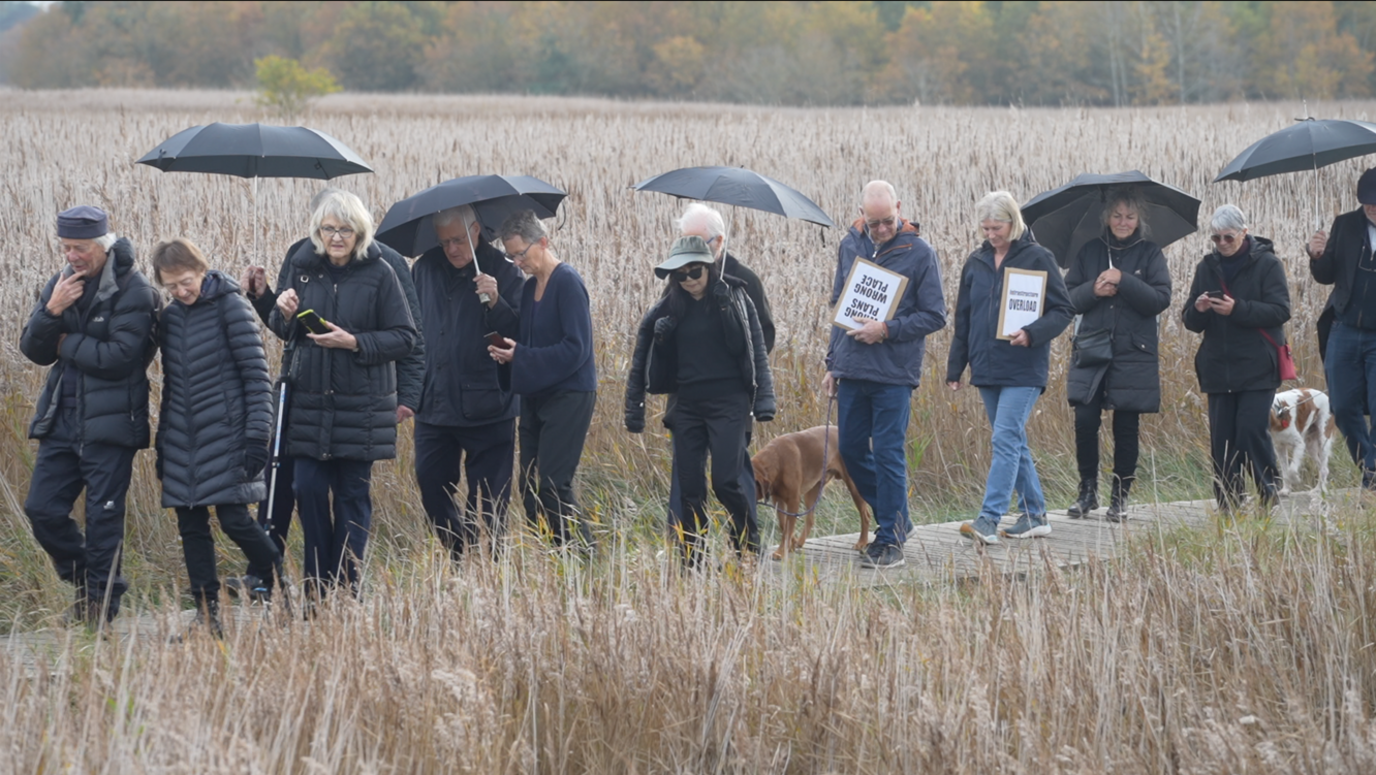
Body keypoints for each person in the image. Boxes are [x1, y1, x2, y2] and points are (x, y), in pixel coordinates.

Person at [234, 187, 425, 595]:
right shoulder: (300, 263)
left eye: (345, 230)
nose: (336, 237)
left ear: (360, 232)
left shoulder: (382, 272)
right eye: (328, 229)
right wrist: (272, 302)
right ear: (316, 230)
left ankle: (346, 586)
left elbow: (405, 338)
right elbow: (287, 332)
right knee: (306, 488)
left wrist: (353, 342)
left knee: (352, 497)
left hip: (362, 406)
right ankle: (317, 585)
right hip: (308, 402)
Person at [20, 205, 160, 626]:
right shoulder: (59, 284)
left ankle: (98, 611)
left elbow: (120, 359)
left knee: (103, 518)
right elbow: (33, 349)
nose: (71, 256)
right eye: (65, 247)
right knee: (41, 510)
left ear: (102, 245)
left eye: (79, 248)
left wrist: (65, 342)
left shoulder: (135, 291)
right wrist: (51, 312)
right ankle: (96, 584)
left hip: (112, 423)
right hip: (61, 419)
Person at [151, 238, 281, 636]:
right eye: (170, 287)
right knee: (190, 526)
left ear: (202, 270)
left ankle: (280, 583)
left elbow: (257, 378)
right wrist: (163, 443)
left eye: (186, 281)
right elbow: (171, 387)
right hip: (183, 439)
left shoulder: (232, 306)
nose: (180, 292)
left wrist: (258, 437)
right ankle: (208, 617)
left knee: (235, 520)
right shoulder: (171, 320)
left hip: (229, 435)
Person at [625, 236, 775, 567]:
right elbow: (642, 360)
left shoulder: (734, 295)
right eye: (682, 275)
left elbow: (754, 349)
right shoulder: (668, 307)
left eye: (696, 271)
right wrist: (634, 410)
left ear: (708, 268)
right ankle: (692, 559)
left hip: (729, 403)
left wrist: (764, 400)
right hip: (688, 405)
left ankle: (748, 546)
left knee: (726, 481)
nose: (690, 279)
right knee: (690, 488)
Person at [823, 181, 947, 569]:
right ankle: (898, 518)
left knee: (890, 453)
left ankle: (890, 537)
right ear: (862, 215)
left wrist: (887, 329)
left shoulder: (920, 253)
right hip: (852, 369)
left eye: (887, 221)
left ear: (899, 208)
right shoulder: (850, 245)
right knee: (853, 451)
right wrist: (832, 363)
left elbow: (935, 315)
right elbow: (841, 306)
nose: (881, 230)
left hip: (893, 373)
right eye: (874, 223)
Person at [947, 191, 1073, 546]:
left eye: (997, 227)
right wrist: (956, 367)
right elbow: (964, 318)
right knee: (1013, 442)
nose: (991, 234)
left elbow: (1063, 310)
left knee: (1003, 438)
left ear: (1013, 221)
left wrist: (1032, 334)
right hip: (986, 368)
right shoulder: (975, 262)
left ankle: (989, 518)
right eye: (985, 228)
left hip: (1024, 367)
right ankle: (1035, 515)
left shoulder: (1038, 257)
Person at [410, 205, 523, 559]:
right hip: (434, 404)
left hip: (489, 405)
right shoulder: (425, 269)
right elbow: (411, 328)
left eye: (458, 240)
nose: (452, 250)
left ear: (476, 231)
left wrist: (497, 301)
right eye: (444, 243)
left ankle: (493, 571)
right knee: (431, 488)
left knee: (490, 503)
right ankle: (461, 553)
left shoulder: (506, 272)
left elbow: (524, 336)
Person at [488, 210, 597, 549]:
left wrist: (522, 356)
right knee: (530, 488)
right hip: (535, 395)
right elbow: (525, 335)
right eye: (511, 256)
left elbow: (576, 349)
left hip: (570, 395)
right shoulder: (529, 286)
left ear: (543, 242)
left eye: (521, 253)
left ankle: (583, 556)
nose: (516, 262)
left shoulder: (567, 282)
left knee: (552, 483)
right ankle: (555, 555)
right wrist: (495, 303)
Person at [667, 203, 776, 534]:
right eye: (687, 240)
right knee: (686, 477)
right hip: (686, 398)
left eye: (701, 242)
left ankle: (746, 544)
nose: (693, 251)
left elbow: (764, 338)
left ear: (720, 241)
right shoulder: (677, 280)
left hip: (731, 398)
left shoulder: (744, 281)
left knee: (732, 475)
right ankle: (686, 546)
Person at [1063, 189, 1172, 521]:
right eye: (1117, 215)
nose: (1123, 222)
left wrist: (1123, 279)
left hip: (1133, 353)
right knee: (1085, 421)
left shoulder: (1151, 254)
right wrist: (1093, 290)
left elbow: (1160, 299)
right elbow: (1067, 299)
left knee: (1126, 425)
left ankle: (1120, 497)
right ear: (1106, 218)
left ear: (1139, 220)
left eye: (1130, 216)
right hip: (1092, 349)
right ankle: (1087, 493)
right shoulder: (1090, 252)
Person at [1183, 204, 1290, 512]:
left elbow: (1281, 310)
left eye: (1228, 237)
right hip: (1218, 366)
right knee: (1223, 440)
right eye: (1215, 238)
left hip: (1258, 364)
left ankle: (1268, 494)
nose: (1222, 244)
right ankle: (1229, 501)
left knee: (1250, 430)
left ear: (1244, 232)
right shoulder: (1206, 267)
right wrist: (1199, 309)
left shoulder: (1268, 264)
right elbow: (1190, 321)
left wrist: (1237, 308)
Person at [1307, 168, 1376, 490]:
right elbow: (1326, 275)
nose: (1372, 208)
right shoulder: (1345, 225)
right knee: (1345, 407)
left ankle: (1372, 479)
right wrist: (1317, 255)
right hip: (1344, 327)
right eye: (1367, 203)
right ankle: (1371, 468)